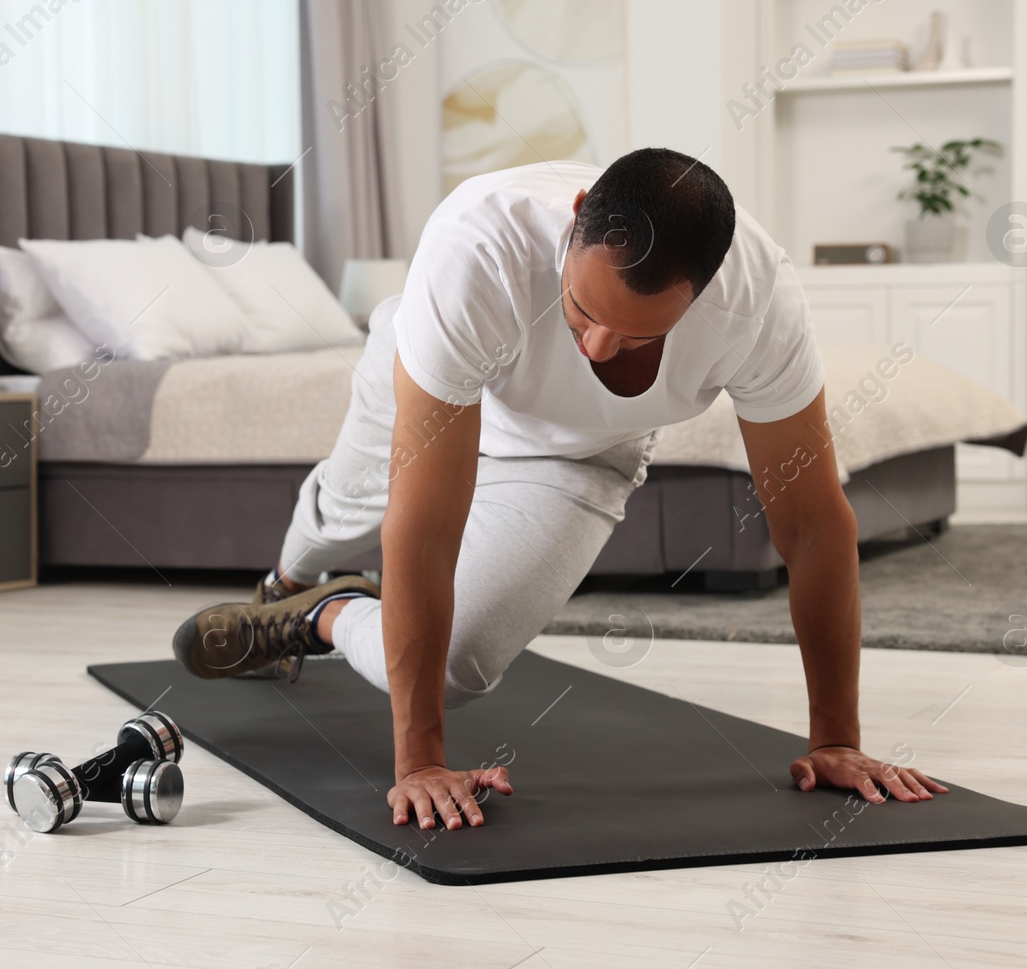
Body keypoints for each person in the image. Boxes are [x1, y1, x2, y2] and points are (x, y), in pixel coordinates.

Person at [171, 148, 947, 832]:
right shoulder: (477, 245)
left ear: (704, 291)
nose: (598, 346)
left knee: (456, 666)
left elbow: (812, 525)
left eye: (637, 335)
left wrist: (835, 739)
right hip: (438, 377)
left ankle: (321, 612)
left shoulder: (758, 302)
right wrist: (420, 763)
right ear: (575, 220)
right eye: (581, 311)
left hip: (583, 451)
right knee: (342, 513)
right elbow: (426, 523)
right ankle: (289, 579)